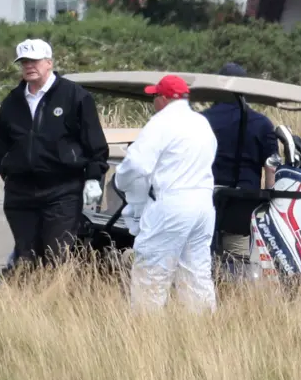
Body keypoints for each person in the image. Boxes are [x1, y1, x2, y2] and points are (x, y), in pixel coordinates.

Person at [0, 38, 109, 277]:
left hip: (61, 190)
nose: (28, 66)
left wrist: (93, 177)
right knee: (26, 256)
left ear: (49, 63)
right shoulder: (12, 102)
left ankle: (54, 303)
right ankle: (28, 306)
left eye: (33, 61)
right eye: (24, 62)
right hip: (21, 193)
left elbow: (94, 142)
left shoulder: (74, 96)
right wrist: (10, 172)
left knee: (56, 254)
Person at [114, 74, 218, 313]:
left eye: (154, 97)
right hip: (203, 205)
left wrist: (121, 179)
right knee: (196, 273)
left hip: (173, 202)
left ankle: (146, 332)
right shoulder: (201, 123)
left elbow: (137, 165)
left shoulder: (161, 122)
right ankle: (203, 330)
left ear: (162, 98)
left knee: (151, 271)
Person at [201, 63, 278, 273]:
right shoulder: (261, 123)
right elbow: (271, 167)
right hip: (243, 202)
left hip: (205, 196)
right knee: (238, 258)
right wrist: (268, 199)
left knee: (199, 254)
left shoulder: (202, 120)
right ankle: (235, 296)